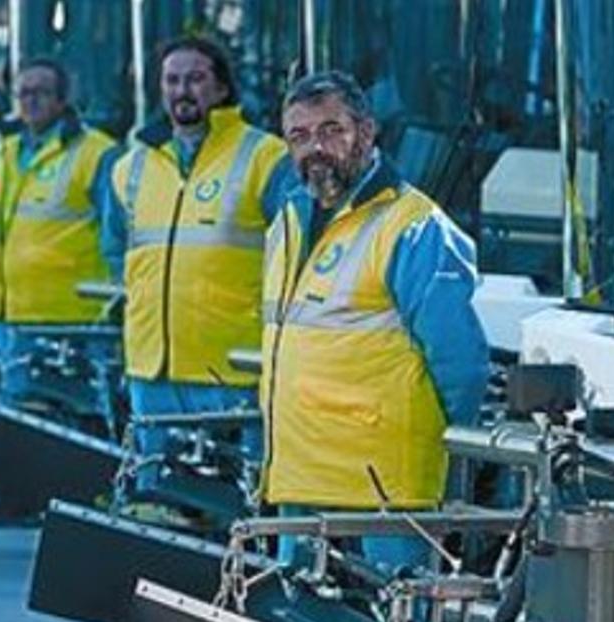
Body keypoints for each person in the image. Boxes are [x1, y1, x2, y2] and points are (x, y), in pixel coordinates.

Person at [260, 71, 489, 571]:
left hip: (385, 486)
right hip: (300, 473)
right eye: (298, 136)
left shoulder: (413, 226)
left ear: (366, 132)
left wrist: (451, 462)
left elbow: (462, 366)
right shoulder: (289, 220)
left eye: (330, 131)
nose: (314, 148)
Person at [102, 36, 293, 508]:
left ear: (222, 88)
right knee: (157, 508)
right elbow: (114, 249)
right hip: (153, 370)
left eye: (195, 78)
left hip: (232, 370)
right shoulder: (132, 166)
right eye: (171, 79)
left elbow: (295, 255)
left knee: (236, 506)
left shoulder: (266, 158)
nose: (181, 90)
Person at [0, 58, 119, 527]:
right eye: (23, 93)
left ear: (62, 99)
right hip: (9, 308)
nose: (29, 101)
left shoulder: (96, 154)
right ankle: (17, 499)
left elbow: (116, 235)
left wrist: (117, 301)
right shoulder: (5, 152)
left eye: (40, 92)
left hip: (70, 312)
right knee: (16, 413)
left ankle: (55, 504)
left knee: (74, 416)